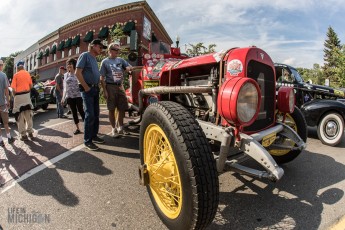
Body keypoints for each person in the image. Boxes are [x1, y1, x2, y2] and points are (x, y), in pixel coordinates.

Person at [75, 39, 106, 150]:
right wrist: (86, 87)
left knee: (96, 114)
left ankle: (94, 136)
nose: (101, 50)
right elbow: (77, 73)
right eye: (100, 47)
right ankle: (87, 141)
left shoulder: (94, 58)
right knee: (90, 115)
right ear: (93, 46)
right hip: (88, 89)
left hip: (95, 89)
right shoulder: (85, 55)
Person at [100, 43, 132, 138]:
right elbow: (101, 77)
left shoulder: (121, 60)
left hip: (120, 86)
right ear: (110, 51)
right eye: (115, 49)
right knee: (111, 108)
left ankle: (120, 127)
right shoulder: (105, 62)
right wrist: (105, 91)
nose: (117, 51)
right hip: (110, 86)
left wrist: (127, 68)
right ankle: (113, 129)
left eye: (118, 50)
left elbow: (130, 67)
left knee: (122, 107)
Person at [10, 61, 34, 141]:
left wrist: (15, 96)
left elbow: (13, 89)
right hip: (26, 95)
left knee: (19, 116)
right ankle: (30, 132)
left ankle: (23, 135)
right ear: (23, 67)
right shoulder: (27, 74)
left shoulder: (16, 75)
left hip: (19, 96)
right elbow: (31, 86)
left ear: (17, 68)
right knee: (28, 115)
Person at [61, 58, 85, 135]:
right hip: (70, 96)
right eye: (68, 64)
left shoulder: (77, 73)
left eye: (70, 64)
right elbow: (65, 87)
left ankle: (87, 127)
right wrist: (63, 98)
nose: (69, 65)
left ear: (74, 64)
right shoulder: (65, 75)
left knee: (81, 111)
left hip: (78, 95)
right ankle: (78, 128)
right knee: (74, 112)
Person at [0, 60, 15, 146]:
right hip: (2, 103)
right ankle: (9, 138)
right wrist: (8, 100)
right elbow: (6, 89)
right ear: (1, 66)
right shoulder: (3, 75)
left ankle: (1, 141)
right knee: (5, 122)